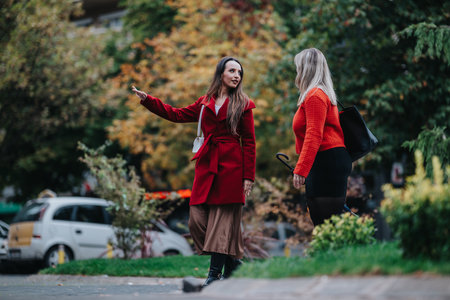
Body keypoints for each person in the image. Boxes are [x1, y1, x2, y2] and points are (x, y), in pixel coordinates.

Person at [132, 57, 256, 286]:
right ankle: (233, 265)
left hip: (231, 168)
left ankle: (214, 275)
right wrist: (149, 100)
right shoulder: (204, 102)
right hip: (207, 166)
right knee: (196, 221)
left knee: (221, 224)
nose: (237, 75)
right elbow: (176, 114)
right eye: (232, 70)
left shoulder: (244, 104)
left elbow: (249, 142)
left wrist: (248, 176)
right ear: (221, 74)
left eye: (239, 72)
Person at [291, 48, 352, 226]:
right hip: (327, 160)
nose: (297, 72)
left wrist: (301, 169)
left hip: (326, 160)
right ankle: (333, 253)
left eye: (298, 68)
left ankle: (334, 253)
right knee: (328, 223)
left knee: (325, 223)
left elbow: (314, 135)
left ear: (305, 69)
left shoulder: (315, 96)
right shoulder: (319, 94)